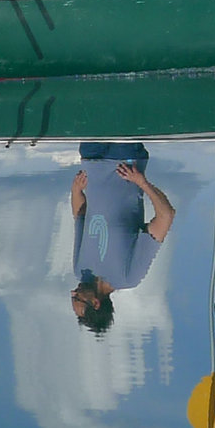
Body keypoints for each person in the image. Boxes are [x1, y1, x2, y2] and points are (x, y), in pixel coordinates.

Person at [67, 142, 174, 334]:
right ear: (96, 303)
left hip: (90, 157)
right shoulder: (129, 276)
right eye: (77, 298)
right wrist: (142, 182)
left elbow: (80, 215)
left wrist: (76, 191)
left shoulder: (79, 270)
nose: (73, 292)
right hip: (125, 156)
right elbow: (166, 216)